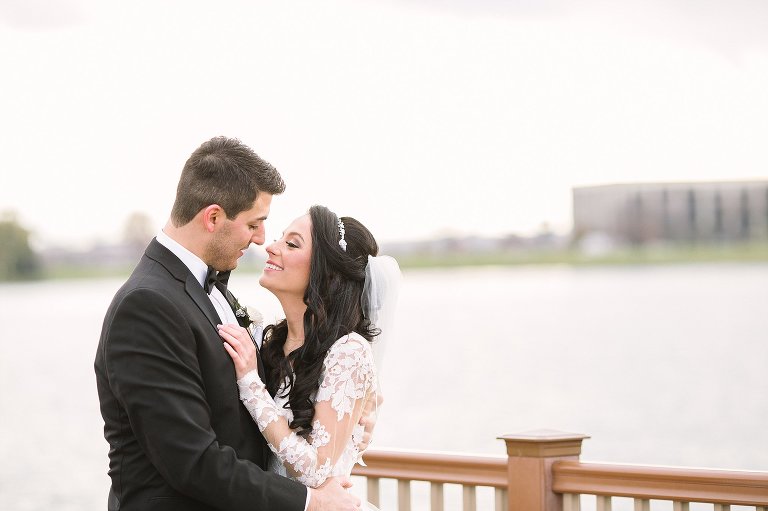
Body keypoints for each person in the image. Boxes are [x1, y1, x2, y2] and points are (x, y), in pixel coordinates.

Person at [94, 137, 361, 511]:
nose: (262, 240)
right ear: (214, 217)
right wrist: (310, 502)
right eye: (254, 223)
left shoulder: (212, 290)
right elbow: (192, 461)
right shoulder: (147, 306)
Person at [218, 205, 401, 507]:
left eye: (291, 244)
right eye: (280, 239)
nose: (270, 247)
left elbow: (316, 471)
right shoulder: (266, 340)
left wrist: (251, 384)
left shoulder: (349, 352)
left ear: (325, 272)